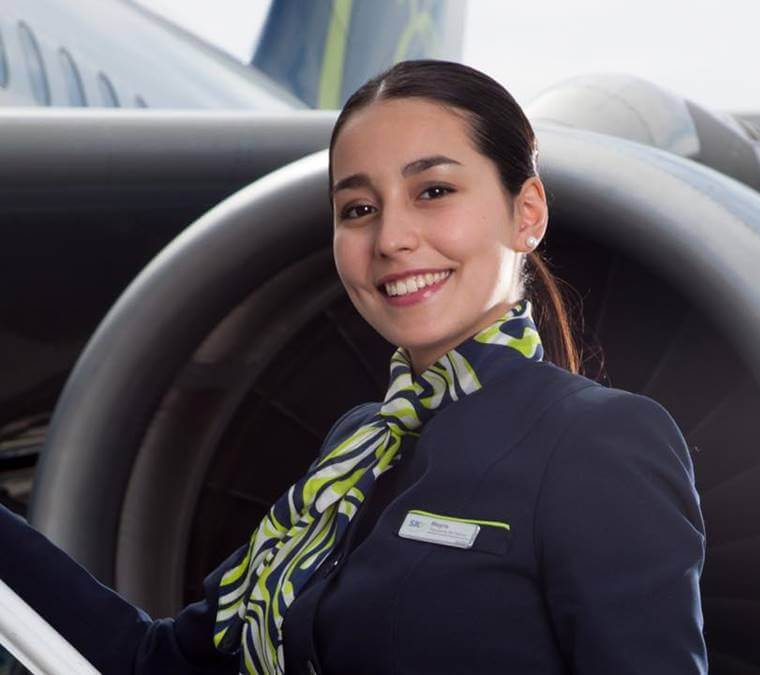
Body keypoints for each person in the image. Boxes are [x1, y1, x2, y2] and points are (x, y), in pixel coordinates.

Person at [0, 59, 707, 674]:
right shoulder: (356, 450)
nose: (392, 238)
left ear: (527, 213)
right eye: (358, 208)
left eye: (433, 191)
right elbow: (153, 663)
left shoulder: (601, 442)